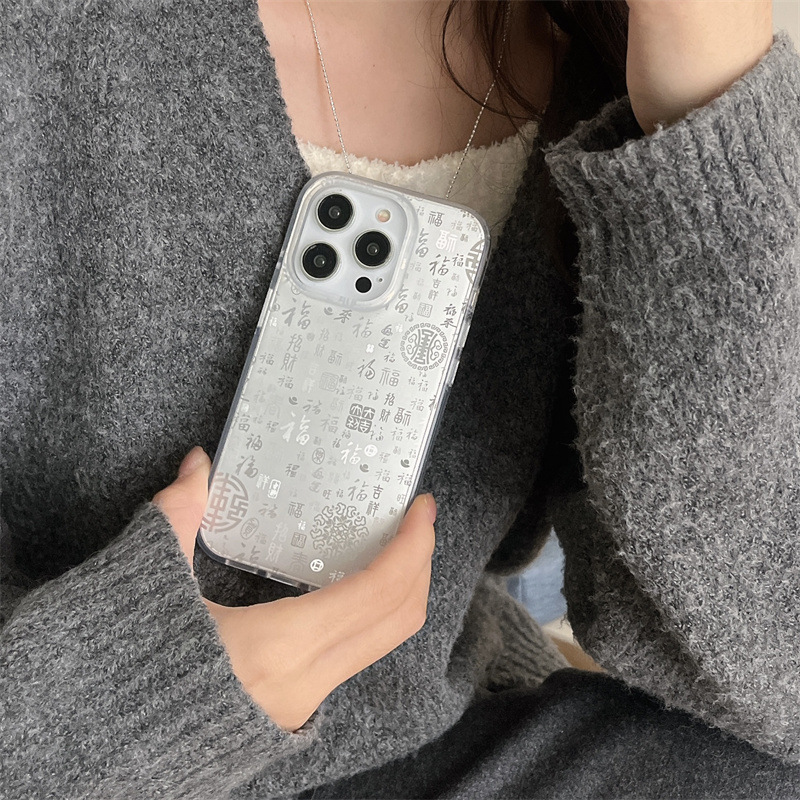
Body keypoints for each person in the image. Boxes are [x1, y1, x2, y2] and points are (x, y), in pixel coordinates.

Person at [2, 0, 799, 797]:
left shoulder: (598, 70)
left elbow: (772, 675)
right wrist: (138, 704)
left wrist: (708, 124)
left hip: (428, 750)